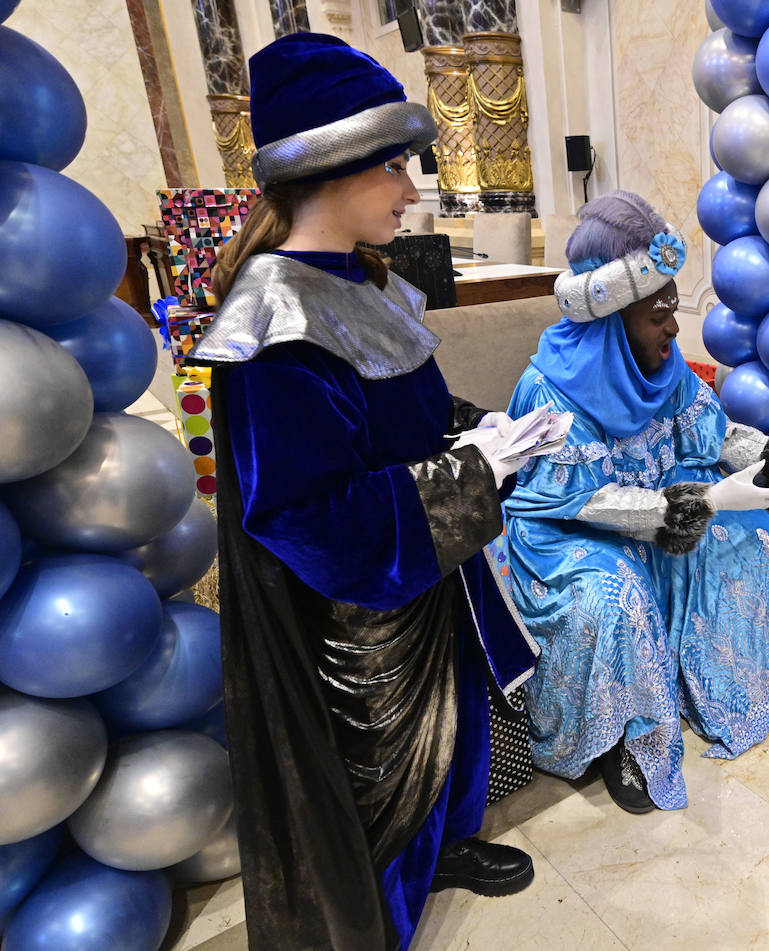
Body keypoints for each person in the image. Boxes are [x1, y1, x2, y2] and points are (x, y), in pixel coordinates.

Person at [189, 33, 538, 951]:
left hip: (430, 573)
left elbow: (408, 414)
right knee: (383, 778)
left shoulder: (366, 282)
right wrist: (473, 476)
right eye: (394, 169)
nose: (412, 193)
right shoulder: (274, 325)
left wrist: (486, 433)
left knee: (453, 733)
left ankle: (442, 851)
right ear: (335, 166)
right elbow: (310, 520)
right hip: (359, 625)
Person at [497, 192, 769, 813]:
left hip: (663, 509)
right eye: (659, 313)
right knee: (617, 597)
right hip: (567, 531)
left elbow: (714, 434)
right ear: (612, 317)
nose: (673, 326)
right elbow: (587, 499)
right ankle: (627, 741)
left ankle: (724, 682)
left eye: (673, 308)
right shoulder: (549, 388)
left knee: (760, 536)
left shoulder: (665, 369)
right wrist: (706, 497)